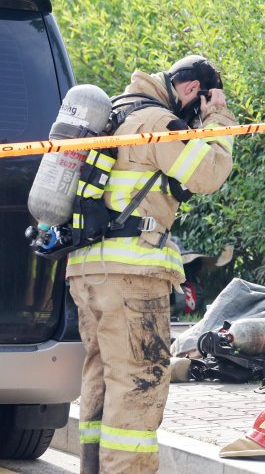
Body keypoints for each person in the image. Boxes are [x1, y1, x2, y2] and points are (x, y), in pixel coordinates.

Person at [66, 55, 236, 473]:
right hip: (132, 277)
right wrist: (218, 119)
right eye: (199, 105)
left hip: (88, 272)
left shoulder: (116, 115)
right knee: (140, 381)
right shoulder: (157, 123)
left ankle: (93, 466)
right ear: (191, 90)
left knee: (102, 377)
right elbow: (209, 174)